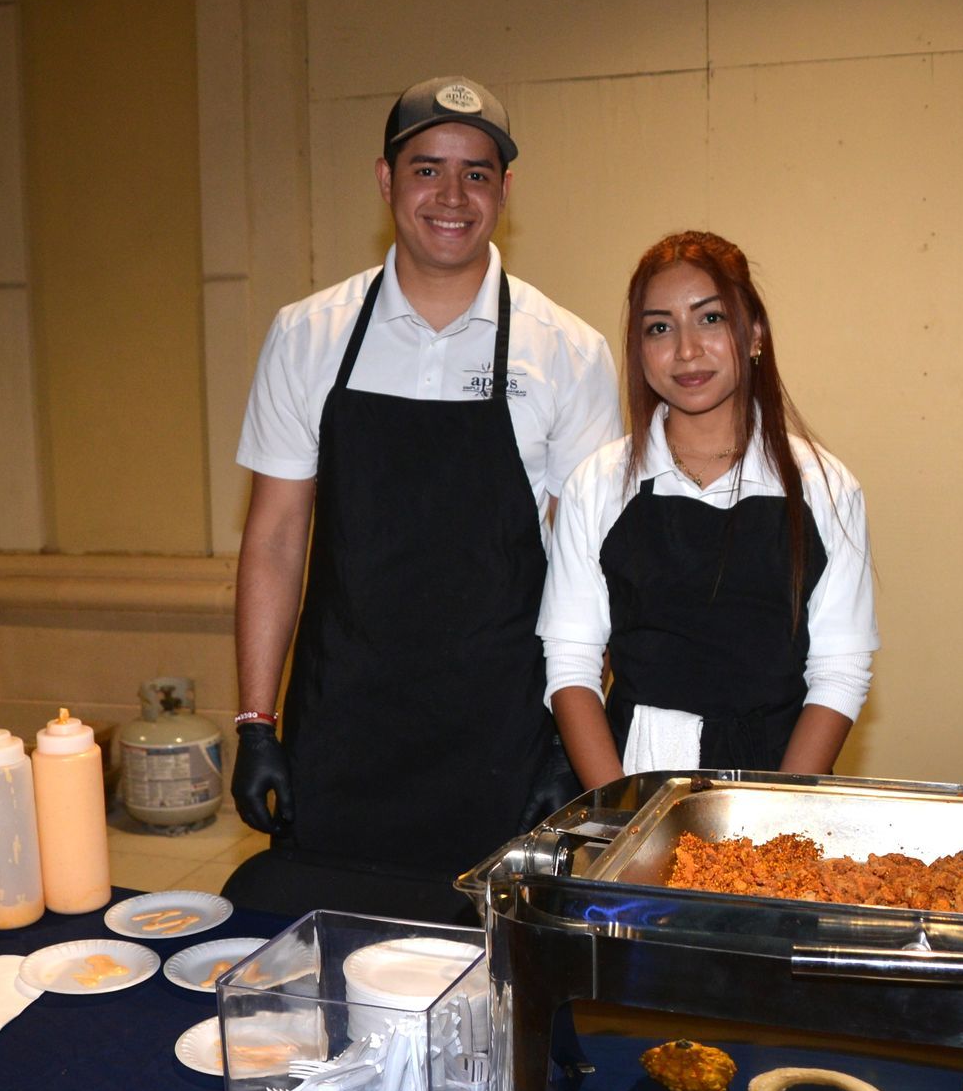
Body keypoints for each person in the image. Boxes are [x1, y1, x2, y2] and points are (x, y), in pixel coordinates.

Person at [223, 76, 621, 920]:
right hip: (343, 729)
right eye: (427, 169)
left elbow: (587, 573)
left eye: (477, 173)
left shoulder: (569, 351)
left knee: (489, 966)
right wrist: (257, 722)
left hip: (502, 738)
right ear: (386, 180)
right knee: (324, 952)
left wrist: (571, 747)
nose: (451, 196)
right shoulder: (308, 335)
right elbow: (276, 538)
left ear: (505, 191)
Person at [540, 231, 878, 785]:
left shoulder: (825, 487)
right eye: (659, 328)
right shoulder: (597, 485)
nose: (686, 350)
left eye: (711, 319)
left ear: (755, 333)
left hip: (780, 784)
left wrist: (777, 813)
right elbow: (571, 665)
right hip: (634, 778)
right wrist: (619, 815)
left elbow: (840, 672)